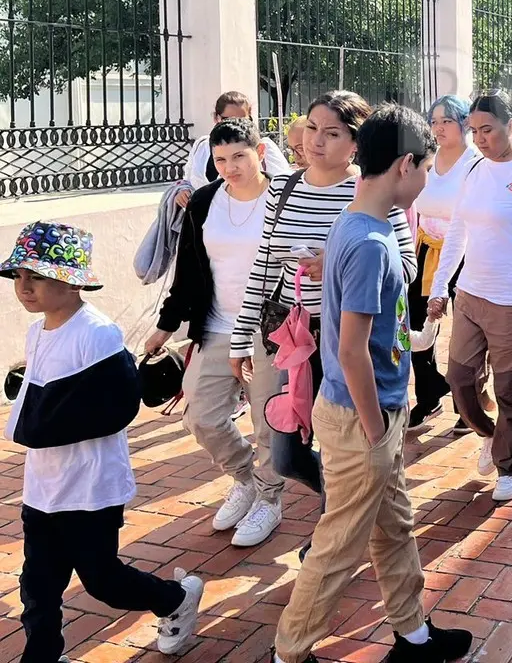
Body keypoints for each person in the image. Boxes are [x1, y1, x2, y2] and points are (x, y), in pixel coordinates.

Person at [271, 105, 473, 663]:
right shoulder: (369, 243)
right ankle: (289, 652)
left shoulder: (361, 226)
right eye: (427, 165)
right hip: (363, 417)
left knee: (394, 527)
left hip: (370, 411)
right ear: (406, 165)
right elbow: (351, 351)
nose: (429, 177)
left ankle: (413, 636)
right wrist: (374, 425)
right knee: (339, 545)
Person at [4, 222, 204, 661]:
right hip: (43, 487)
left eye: (36, 276)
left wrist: (41, 421)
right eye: (18, 276)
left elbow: (115, 406)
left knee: (103, 580)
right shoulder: (39, 332)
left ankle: (176, 599)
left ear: (72, 280)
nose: (24, 287)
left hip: (91, 488)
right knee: (37, 586)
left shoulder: (97, 334)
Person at [230, 92, 417, 514]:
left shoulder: (369, 188)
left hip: (345, 339)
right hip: (290, 337)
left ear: (356, 143)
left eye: (332, 133)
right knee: (285, 454)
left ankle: (333, 530)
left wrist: (335, 261)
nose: (316, 141)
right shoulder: (283, 186)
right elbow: (263, 264)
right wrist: (240, 338)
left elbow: (405, 265)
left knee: (341, 442)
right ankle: (347, 507)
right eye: (312, 128)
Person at [145, 119, 285, 546]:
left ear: (259, 153)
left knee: (267, 421)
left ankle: (270, 498)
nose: (230, 167)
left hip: (269, 328)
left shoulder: (283, 198)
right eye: (220, 159)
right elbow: (187, 270)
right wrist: (166, 326)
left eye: (239, 156)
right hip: (217, 324)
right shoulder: (205, 201)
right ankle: (245, 479)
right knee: (200, 415)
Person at [427, 92, 512, 503]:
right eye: (475, 131)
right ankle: (490, 434)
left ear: (511, 125)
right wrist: (439, 288)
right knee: (460, 380)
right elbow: (457, 233)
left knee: (510, 389)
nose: (481, 139)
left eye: (488, 129)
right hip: (471, 293)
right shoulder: (473, 171)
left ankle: (511, 462)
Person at [406, 94, 490, 432]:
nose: (438, 128)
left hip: (466, 252)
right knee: (414, 322)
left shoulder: (475, 163)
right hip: (424, 249)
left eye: (446, 121)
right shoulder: (425, 159)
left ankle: (465, 403)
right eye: (435, 121)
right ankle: (429, 396)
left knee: (467, 331)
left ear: (464, 124)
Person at [181, 90, 290, 205]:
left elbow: (284, 186)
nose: (235, 125)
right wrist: (182, 191)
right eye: (228, 120)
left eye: (242, 120)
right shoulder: (201, 145)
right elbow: (187, 180)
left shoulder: (264, 148)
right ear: (216, 118)